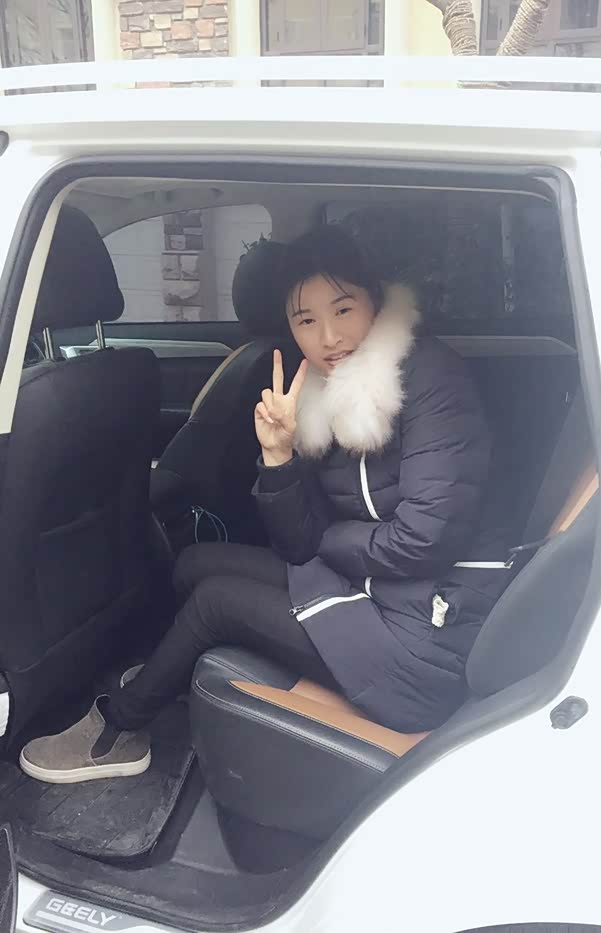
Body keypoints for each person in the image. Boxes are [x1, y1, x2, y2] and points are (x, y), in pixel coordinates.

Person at [20, 226, 505, 785]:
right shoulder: (321, 391)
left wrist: (331, 542)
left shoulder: (431, 379)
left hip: (431, 634)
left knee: (215, 602)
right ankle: (164, 677)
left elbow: (423, 538)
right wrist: (278, 457)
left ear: (375, 301)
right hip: (377, 588)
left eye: (343, 310)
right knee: (196, 563)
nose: (329, 337)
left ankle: (121, 728)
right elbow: (298, 545)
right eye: (306, 320)